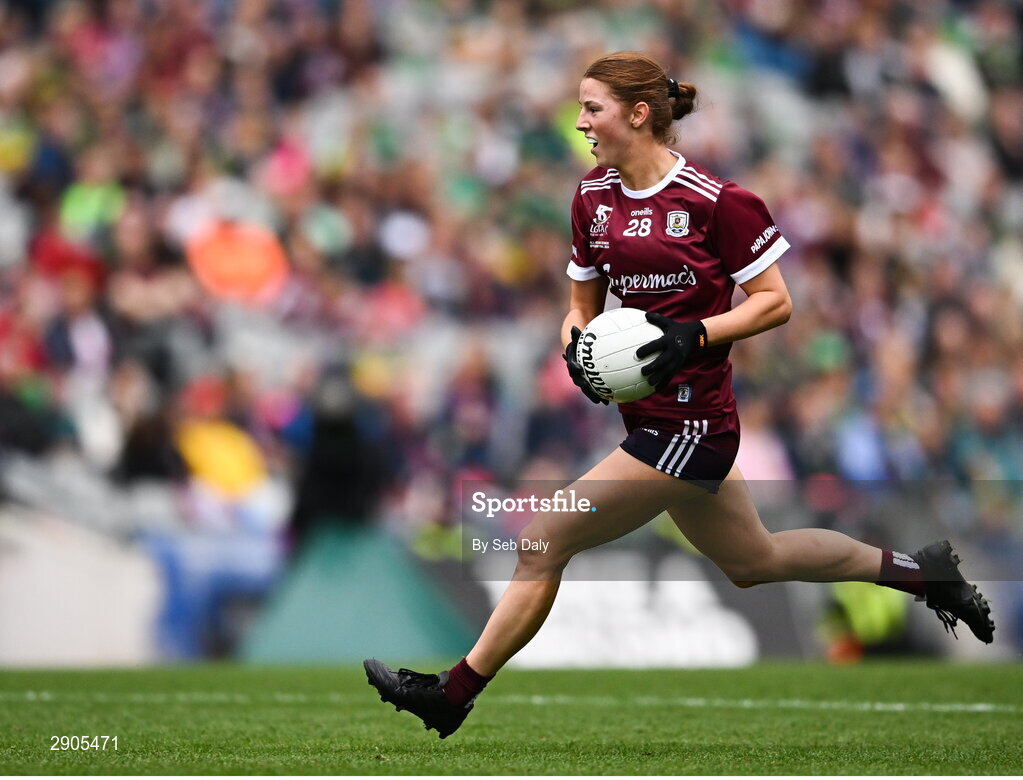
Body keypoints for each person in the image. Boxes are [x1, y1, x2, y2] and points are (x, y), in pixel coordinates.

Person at [363, 51, 995, 739]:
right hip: (651, 421)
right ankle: (921, 574)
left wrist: (691, 337)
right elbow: (579, 305)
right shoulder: (590, 199)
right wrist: (576, 345)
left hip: (695, 424)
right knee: (755, 561)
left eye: (591, 109)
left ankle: (450, 695)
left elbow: (773, 304)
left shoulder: (717, 202)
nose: (579, 123)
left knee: (542, 540)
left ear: (637, 114)